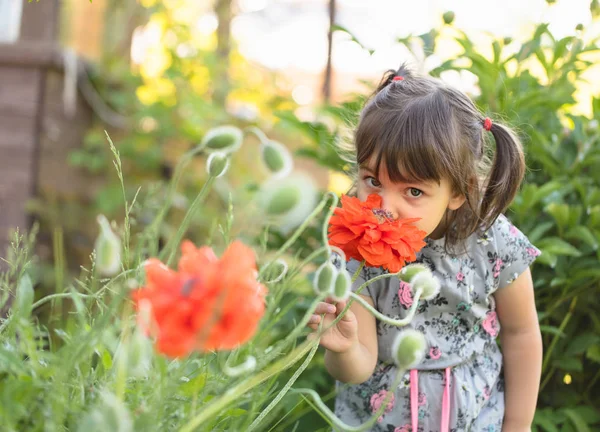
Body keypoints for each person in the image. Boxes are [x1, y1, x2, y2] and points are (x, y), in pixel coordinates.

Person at [307, 65, 543, 431]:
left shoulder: (493, 243)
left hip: (475, 419)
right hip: (380, 419)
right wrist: (345, 348)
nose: (384, 206)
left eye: (413, 191)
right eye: (372, 180)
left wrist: (518, 425)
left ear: (458, 192)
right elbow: (359, 365)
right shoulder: (355, 247)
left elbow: (521, 333)